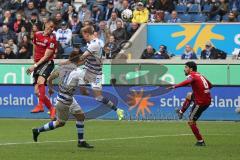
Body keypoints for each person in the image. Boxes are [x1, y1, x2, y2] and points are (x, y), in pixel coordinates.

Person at [32, 51, 93, 148]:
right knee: (60, 123)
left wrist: (51, 89)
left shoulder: (62, 68)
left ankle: (81, 141)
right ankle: (37, 130)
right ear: (79, 60)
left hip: (68, 98)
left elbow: (49, 79)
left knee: (81, 116)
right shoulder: (78, 72)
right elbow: (83, 91)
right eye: (82, 59)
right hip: (63, 101)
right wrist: (89, 93)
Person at [62, 25, 124, 120]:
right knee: (76, 81)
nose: (83, 37)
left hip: (92, 73)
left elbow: (81, 58)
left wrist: (66, 63)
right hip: (91, 72)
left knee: (97, 97)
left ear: (87, 34)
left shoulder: (93, 45)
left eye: (83, 35)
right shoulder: (98, 42)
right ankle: (61, 105)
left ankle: (118, 110)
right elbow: (92, 57)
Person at [168, 61, 213, 146]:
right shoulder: (200, 75)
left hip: (201, 103)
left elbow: (187, 82)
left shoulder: (192, 75)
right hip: (206, 99)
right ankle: (181, 112)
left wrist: (175, 86)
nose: (184, 69)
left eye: (186, 67)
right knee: (189, 95)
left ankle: (200, 141)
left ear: (190, 69)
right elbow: (210, 85)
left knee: (191, 121)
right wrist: (200, 90)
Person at [26, 20, 56, 120]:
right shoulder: (37, 34)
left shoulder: (52, 40)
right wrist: (34, 61)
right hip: (38, 63)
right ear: (45, 25)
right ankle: (52, 109)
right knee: (36, 92)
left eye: (53, 27)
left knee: (40, 81)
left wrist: (34, 66)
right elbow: (34, 48)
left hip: (47, 63)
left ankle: (40, 106)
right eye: (50, 26)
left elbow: (46, 57)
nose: (51, 28)